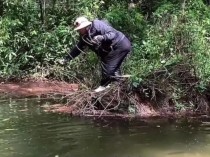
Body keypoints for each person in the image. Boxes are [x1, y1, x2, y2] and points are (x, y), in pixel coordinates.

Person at [62, 16, 132, 92]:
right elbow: (77, 49)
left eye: (80, 29)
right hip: (112, 50)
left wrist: (101, 37)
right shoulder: (84, 37)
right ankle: (119, 88)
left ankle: (104, 86)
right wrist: (67, 59)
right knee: (113, 70)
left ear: (85, 26)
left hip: (120, 44)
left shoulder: (97, 25)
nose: (79, 31)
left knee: (108, 68)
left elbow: (112, 34)